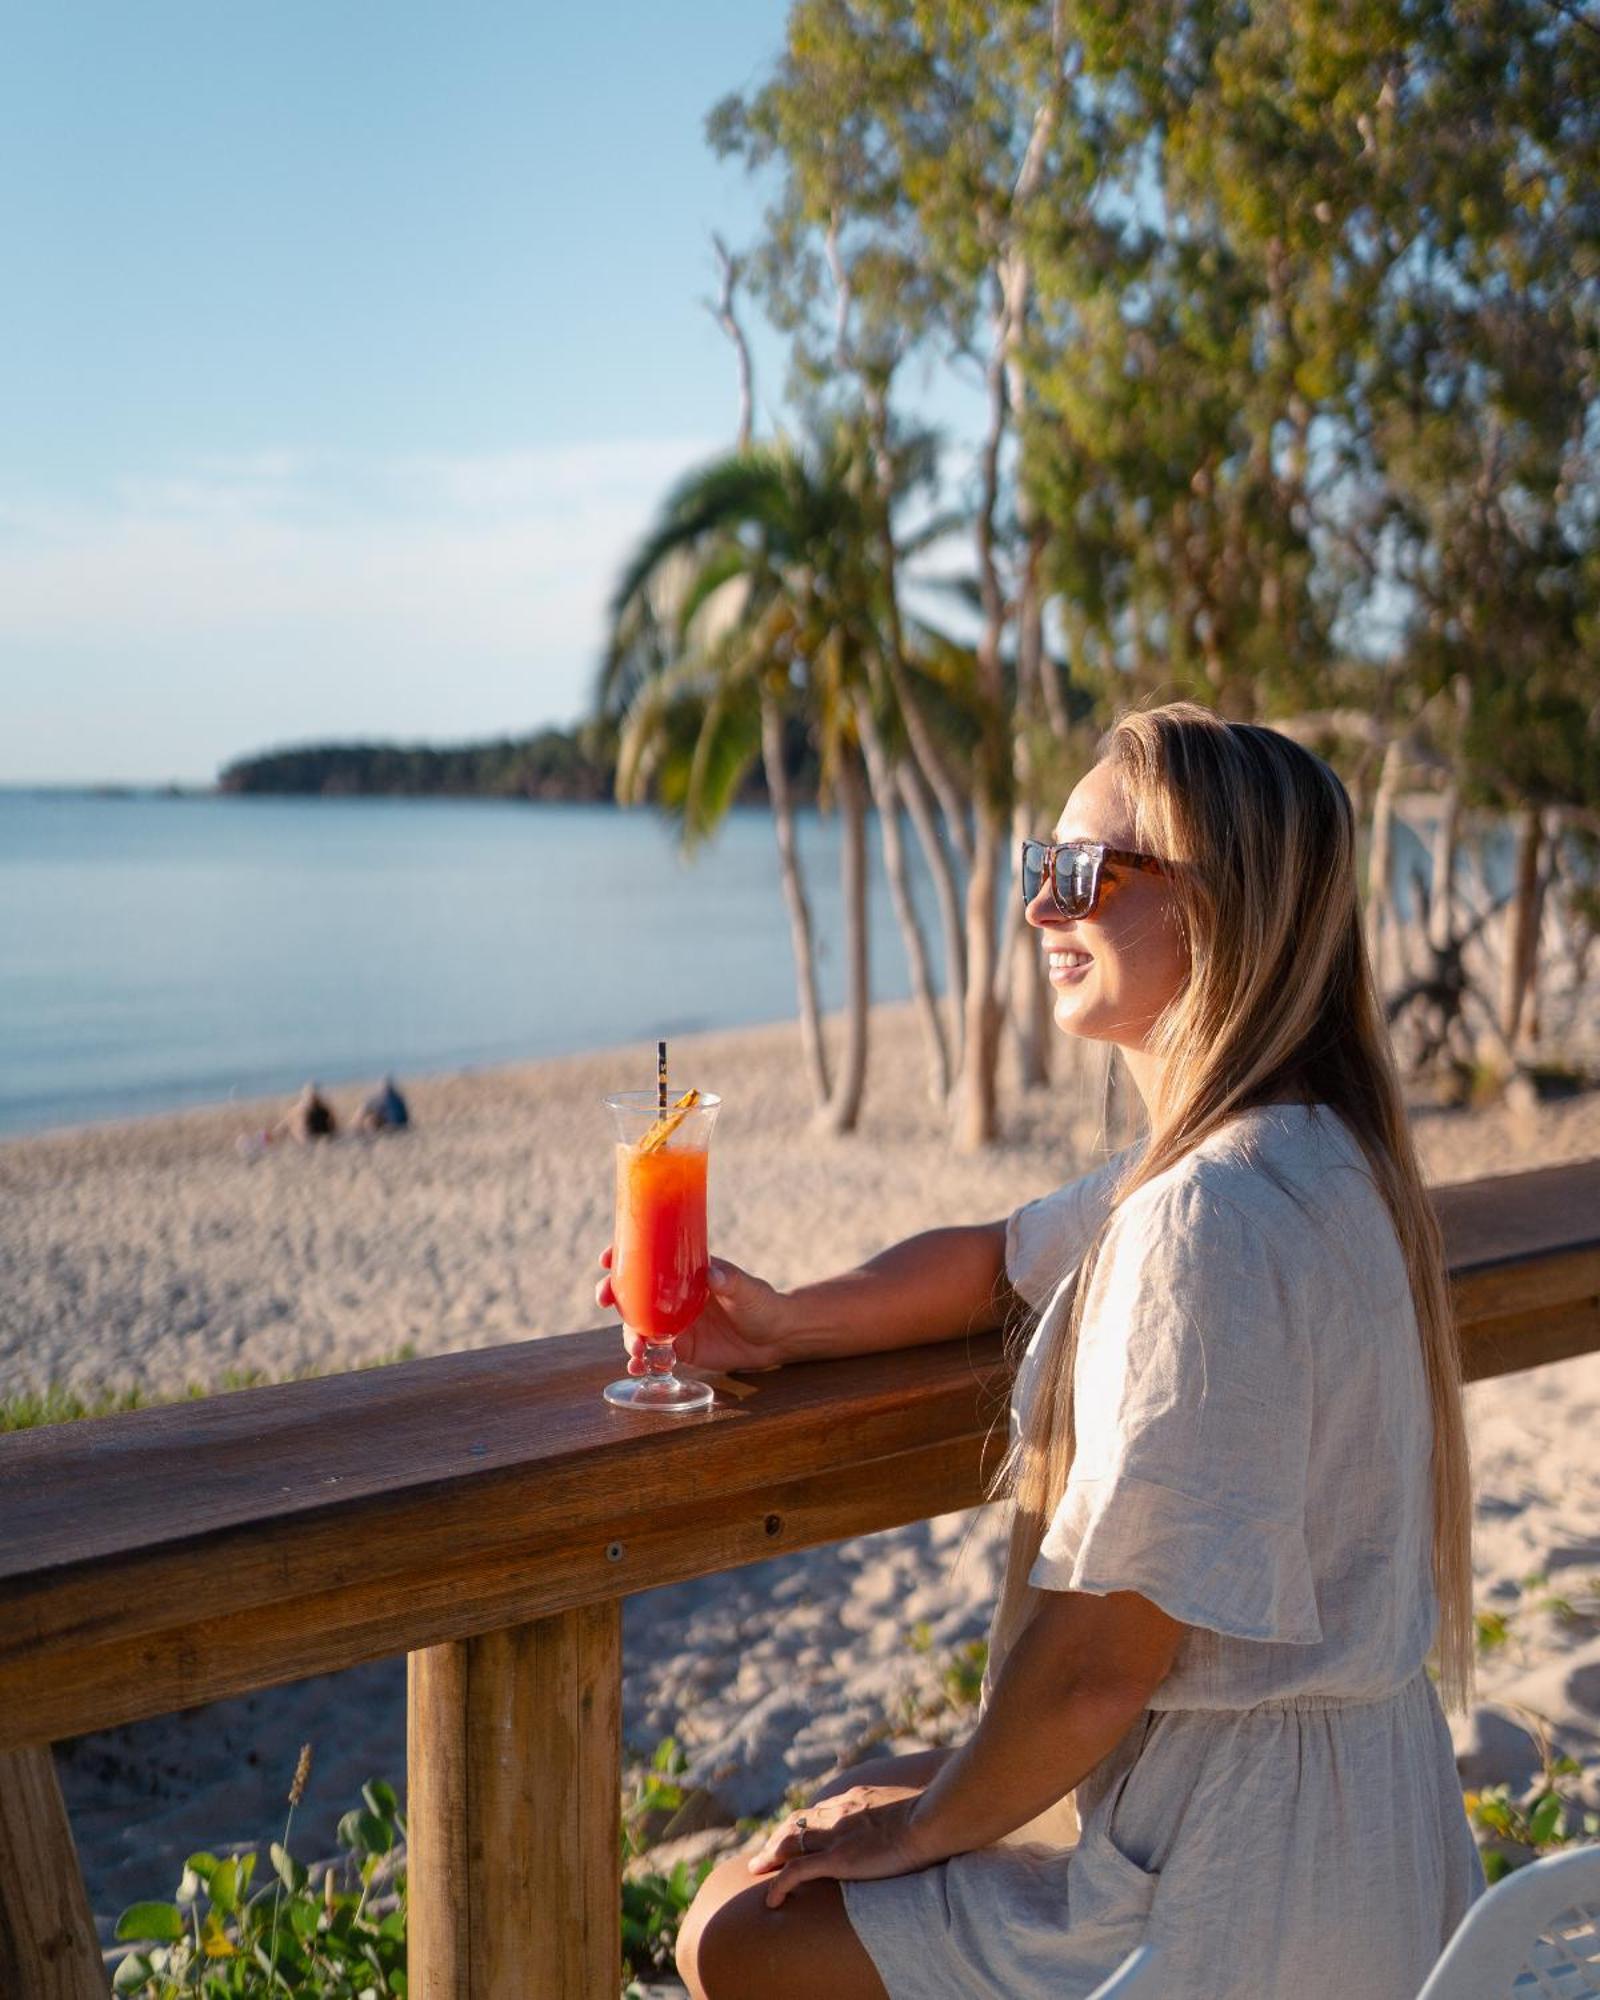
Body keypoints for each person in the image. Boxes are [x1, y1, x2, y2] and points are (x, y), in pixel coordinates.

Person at [596, 701, 1485, 2000]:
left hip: (1227, 1891)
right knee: (845, 1803)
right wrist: (785, 1323)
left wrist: (919, 1828)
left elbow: (1092, 1673)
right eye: (1036, 869)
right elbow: (1002, 1257)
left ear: (1218, 905)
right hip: (1376, 1842)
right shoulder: (1317, 1159)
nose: (1038, 911)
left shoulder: (1208, 1220)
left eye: (1080, 875)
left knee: (733, 1930)